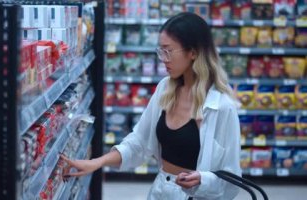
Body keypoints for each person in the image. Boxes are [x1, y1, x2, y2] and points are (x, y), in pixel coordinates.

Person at [61, 12, 241, 200]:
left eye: (168, 51)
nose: (162, 58)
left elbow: (232, 178)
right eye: (160, 51)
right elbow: (139, 142)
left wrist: (202, 180)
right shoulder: (165, 89)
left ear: (193, 52)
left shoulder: (221, 107)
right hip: (161, 191)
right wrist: (96, 163)